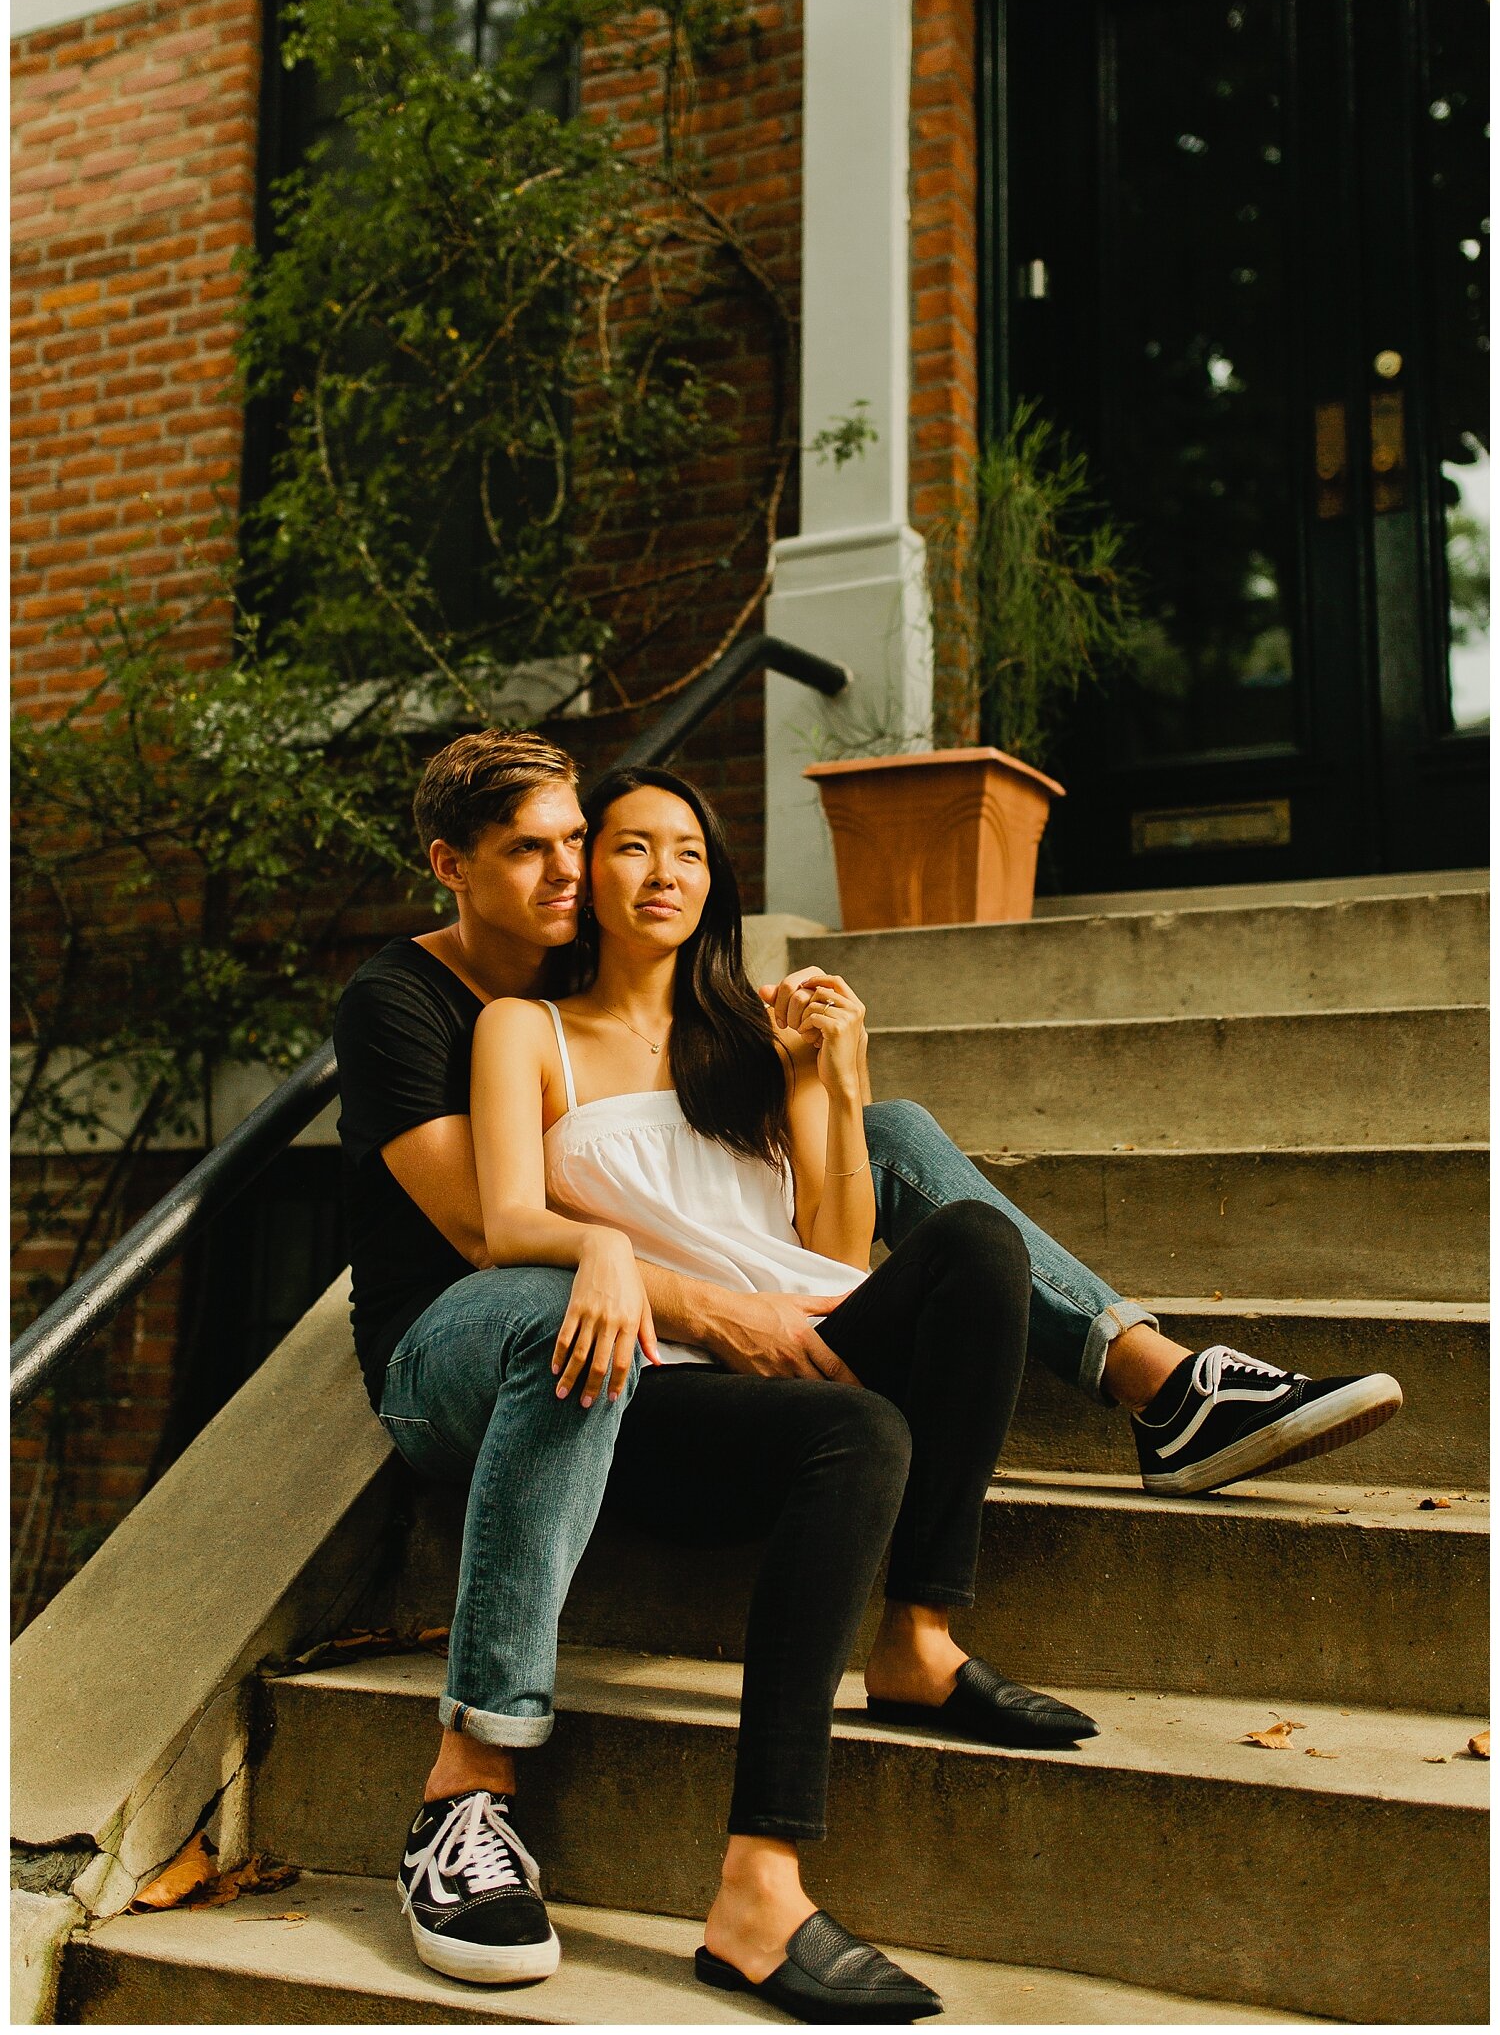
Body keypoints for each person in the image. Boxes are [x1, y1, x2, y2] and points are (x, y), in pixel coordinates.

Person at [331, 727, 1402, 1997]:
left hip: (674, 1298)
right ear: (452, 867)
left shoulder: (694, 1018)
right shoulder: (426, 1004)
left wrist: (829, 1087)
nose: (574, 873)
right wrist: (669, 1284)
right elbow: (485, 1228)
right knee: (562, 1307)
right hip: (463, 1322)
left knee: (914, 1187)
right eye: (542, 851)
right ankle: (469, 1783)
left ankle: (1151, 1381)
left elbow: (807, 1226)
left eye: (586, 841)